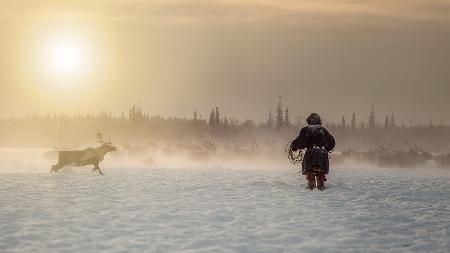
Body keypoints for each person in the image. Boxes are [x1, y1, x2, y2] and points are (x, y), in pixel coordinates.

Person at [291, 113, 335, 190]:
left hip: (310, 154)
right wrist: (327, 148)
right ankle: (321, 185)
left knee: (310, 171)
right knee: (321, 172)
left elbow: (301, 141)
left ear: (309, 121)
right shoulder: (324, 130)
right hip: (322, 154)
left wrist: (294, 146)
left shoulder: (306, 130)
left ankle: (311, 185)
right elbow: (331, 143)